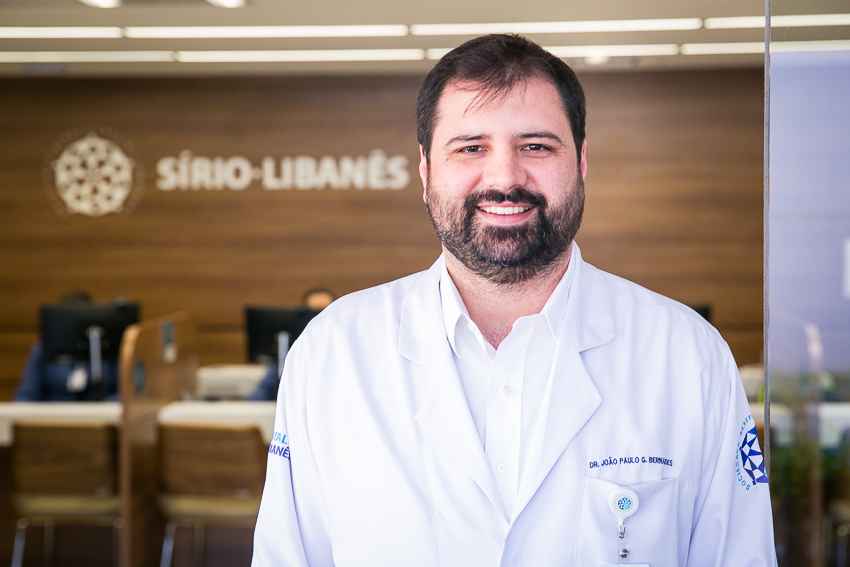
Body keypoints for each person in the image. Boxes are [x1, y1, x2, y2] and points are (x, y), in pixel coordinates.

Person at [252, 35, 777, 566]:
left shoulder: (688, 354)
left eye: (536, 146)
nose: (504, 178)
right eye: (470, 148)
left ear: (581, 162)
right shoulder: (333, 352)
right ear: (426, 171)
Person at [15, 291, 121, 401]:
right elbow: (26, 395)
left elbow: (125, 394)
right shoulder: (44, 348)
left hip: (102, 410)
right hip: (55, 410)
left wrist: (103, 407)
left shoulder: (108, 346)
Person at [247, 288, 336, 401]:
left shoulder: (340, 328)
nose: (316, 317)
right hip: (293, 359)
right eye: (312, 312)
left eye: (323, 311)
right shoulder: (296, 324)